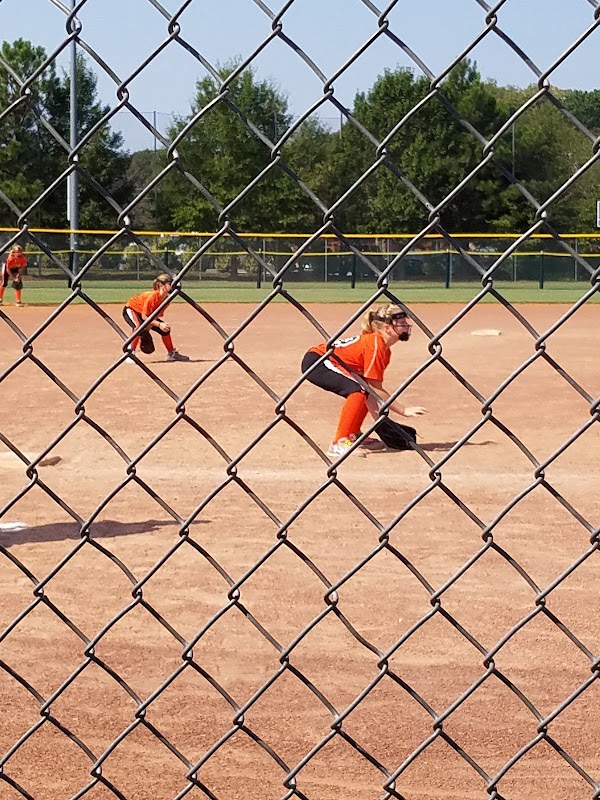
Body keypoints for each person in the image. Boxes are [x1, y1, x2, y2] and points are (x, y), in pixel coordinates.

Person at [301, 304, 428, 458]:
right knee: (357, 390)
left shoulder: (383, 349)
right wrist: (403, 410)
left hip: (330, 361)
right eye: (401, 323)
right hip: (320, 360)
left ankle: (352, 434)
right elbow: (376, 388)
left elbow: (370, 389)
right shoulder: (375, 345)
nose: (407, 326)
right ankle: (339, 442)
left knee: (362, 390)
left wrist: (380, 421)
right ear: (387, 328)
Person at [123, 273, 189, 362]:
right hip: (132, 309)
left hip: (147, 315)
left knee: (165, 330)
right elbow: (144, 316)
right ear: (162, 285)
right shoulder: (153, 296)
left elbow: (155, 315)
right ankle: (130, 354)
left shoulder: (167, 300)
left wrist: (148, 329)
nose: (173, 286)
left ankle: (171, 354)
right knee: (138, 327)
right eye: (170, 283)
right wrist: (158, 324)